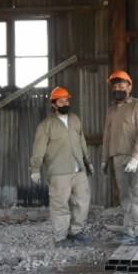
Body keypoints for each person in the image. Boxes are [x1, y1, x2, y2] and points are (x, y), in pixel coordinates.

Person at [30, 86, 94, 247]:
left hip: (78, 170)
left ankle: (76, 232)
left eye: (66, 100)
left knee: (82, 201)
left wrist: (87, 162)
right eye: (61, 100)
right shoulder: (46, 125)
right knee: (60, 205)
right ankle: (60, 237)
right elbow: (39, 148)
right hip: (58, 172)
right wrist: (35, 169)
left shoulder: (75, 120)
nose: (65, 103)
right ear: (54, 104)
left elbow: (82, 142)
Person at [102, 70, 138, 246]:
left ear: (129, 87)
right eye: (115, 86)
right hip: (117, 157)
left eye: (122, 86)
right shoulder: (111, 110)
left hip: (135, 158)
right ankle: (129, 230)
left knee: (137, 194)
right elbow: (107, 136)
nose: (118, 89)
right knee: (125, 196)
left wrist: (136, 158)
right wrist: (104, 158)